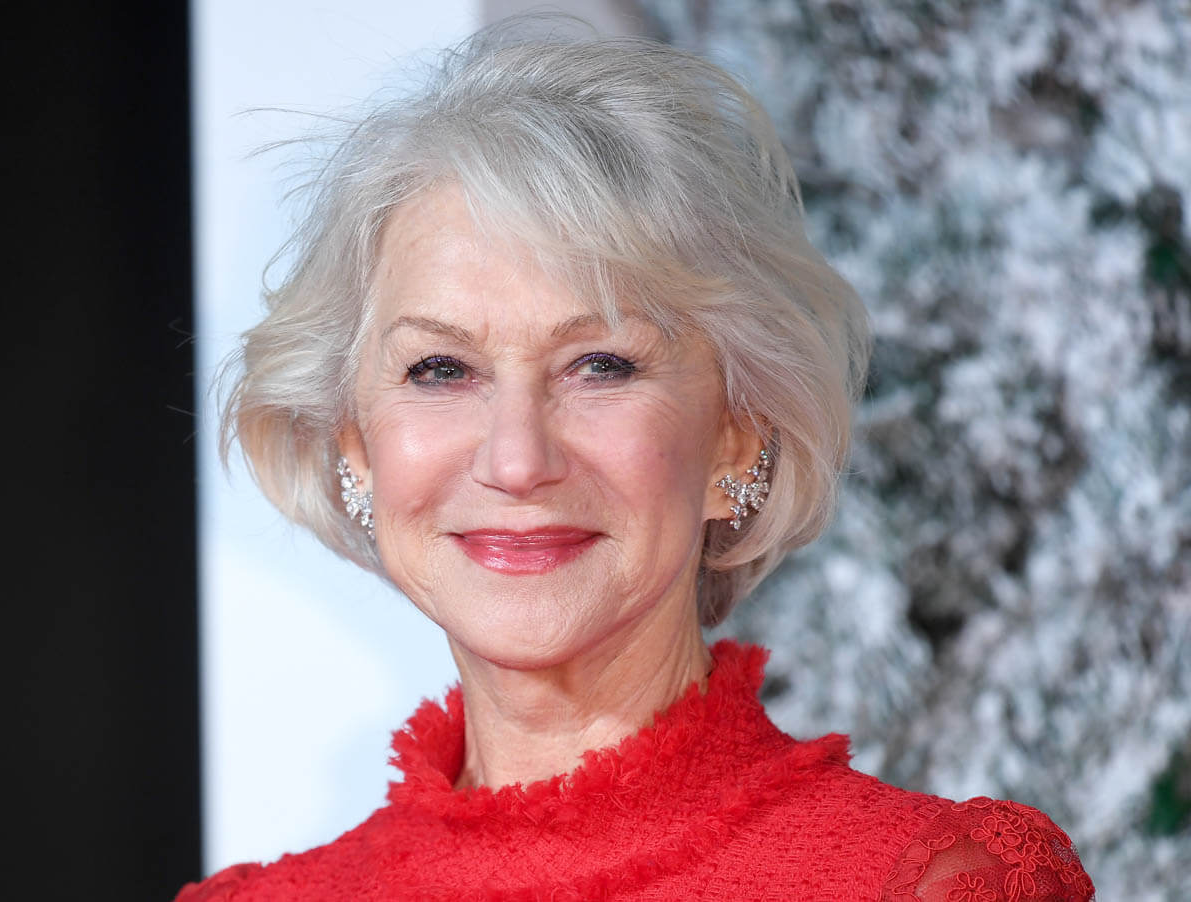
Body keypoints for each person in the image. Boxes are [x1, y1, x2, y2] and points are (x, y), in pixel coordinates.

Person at [179, 19, 1095, 902]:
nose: (516, 460)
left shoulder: (925, 884)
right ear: (354, 444)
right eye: (441, 369)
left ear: (737, 434)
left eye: (600, 366)